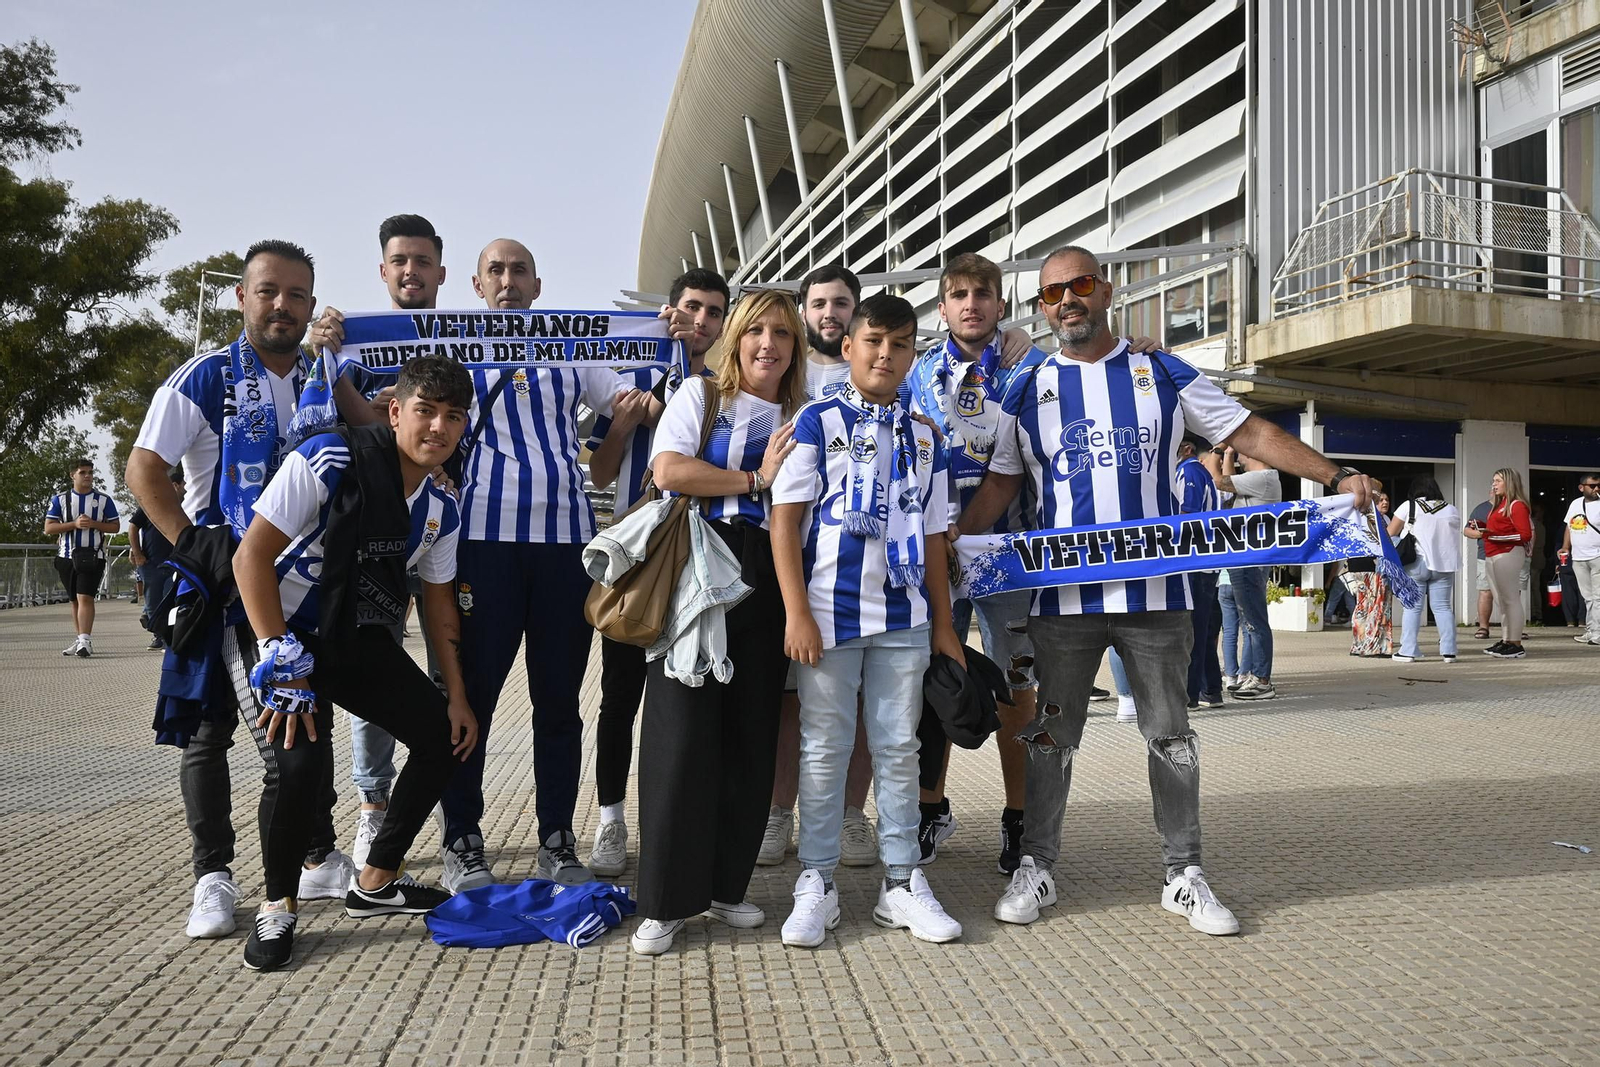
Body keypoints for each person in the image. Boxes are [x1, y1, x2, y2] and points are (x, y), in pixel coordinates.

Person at [959, 244, 1373, 937]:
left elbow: (1249, 431)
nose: (1068, 300)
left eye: (1080, 285)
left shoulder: (1163, 371)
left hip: (1157, 600)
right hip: (1062, 605)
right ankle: (1038, 863)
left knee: (1171, 736)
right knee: (1049, 737)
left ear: (1108, 290)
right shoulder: (1027, 390)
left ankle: (1184, 872)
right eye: (1053, 292)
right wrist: (956, 544)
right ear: (1042, 307)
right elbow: (1002, 482)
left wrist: (1335, 477)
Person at [126, 240, 363, 939]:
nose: (281, 306)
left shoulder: (324, 373)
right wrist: (193, 542)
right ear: (242, 296)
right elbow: (144, 468)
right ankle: (213, 876)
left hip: (304, 586)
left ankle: (315, 857)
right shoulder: (205, 375)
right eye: (268, 291)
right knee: (209, 732)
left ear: (312, 306)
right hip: (222, 585)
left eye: (296, 295)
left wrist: (339, 361)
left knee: (301, 726)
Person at [228, 356, 479, 970]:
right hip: (274, 632)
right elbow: (250, 559)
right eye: (424, 411)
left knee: (444, 736)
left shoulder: (442, 504)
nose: (437, 428)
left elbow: (439, 602)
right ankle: (278, 906)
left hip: (351, 637)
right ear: (394, 411)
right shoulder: (327, 459)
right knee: (301, 762)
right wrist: (280, 660)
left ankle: (376, 883)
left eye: (452, 417)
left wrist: (457, 696)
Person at [773, 293, 965, 948]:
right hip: (828, 615)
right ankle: (817, 881)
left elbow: (937, 536)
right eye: (875, 340)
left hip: (906, 615)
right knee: (823, 748)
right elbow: (786, 521)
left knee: (898, 749)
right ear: (849, 346)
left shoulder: (925, 436)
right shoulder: (815, 421)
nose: (887, 354)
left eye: (902, 344)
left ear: (914, 354)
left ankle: (902, 883)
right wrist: (796, 611)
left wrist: (944, 625)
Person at [629, 289, 806, 955]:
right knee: (680, 733)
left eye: (782, 334)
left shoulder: (802, 409)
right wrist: (754, 479)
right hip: (699, 566)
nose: (769, 344)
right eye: (756, 330)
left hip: (770, 572)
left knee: (750, 734)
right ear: (735, 336)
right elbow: (668, 468)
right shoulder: (701, 397)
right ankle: (667, 900)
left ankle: (728, 887)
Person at [310, 212, 452, 870]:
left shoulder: (457, 346)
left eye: (423, 261)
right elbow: (364, 430)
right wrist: (328, 357)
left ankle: (456, 819)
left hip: (440, 524)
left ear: (441, 273)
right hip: (369, 541)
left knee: (448, 675)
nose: (411, 271)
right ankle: (373, 805)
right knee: (378, 659)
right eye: (401, 260)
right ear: (384, 270)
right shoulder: (352, 344)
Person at [903, 253, 1048, 876]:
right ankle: (929, 808)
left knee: (1020, 689)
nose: (971, 304)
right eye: (958, 294)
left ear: (999, 302)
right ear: (942, 306)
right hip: (937, 557)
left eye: (982, 293)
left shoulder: (1031, 364)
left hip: (1010, 557)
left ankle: (1021, 819)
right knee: (933, 680)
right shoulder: (918, 373)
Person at [584, 267, 729, 878]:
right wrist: (626, 421)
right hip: (639, 556)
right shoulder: (628, 379)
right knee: (620, 696)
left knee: (698, 691)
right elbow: (599, 473)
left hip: (704, 555)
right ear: (669, 310)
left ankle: (693, 820)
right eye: (691, 307)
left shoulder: (729, 389)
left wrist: (673, 409)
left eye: (713, 312)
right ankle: (611, 818)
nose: (700, 321)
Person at [761, 263, 878, 870]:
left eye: (840, 303)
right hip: (791, 558)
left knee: (854, 702)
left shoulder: (884, 369)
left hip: (861, 567)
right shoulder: (785, 368)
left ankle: (851, 817)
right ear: (802, 312)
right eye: (818, 304)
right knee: (789, 704)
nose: (828, 313)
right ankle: (779, 812)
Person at [1212, 447, 1281, 699]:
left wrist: (1218, 453)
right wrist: (1228, 456)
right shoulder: (1258, 481)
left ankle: (1262, 680)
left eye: (1241, 453)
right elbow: (1229, 484)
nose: (1239, 458)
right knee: (1249, 622)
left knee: (1255, 621)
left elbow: (1218, 481)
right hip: (1246, 557)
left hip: (1252, 558)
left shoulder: (1264, 477)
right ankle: (1252, 675)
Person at [44, 457, 120, 657]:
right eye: (83, 472)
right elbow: (49, 528)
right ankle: (80, 639)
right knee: (74, 601)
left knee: (85, 597)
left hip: (93, 556)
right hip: (66, 557)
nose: (87, 476)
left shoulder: (103, 500)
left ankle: (85, 640)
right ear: (72, 475)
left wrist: (94, 523)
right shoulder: (59, 499)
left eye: (90, 473)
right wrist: (74, 524)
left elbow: (115, 526)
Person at [1387, 476, 1460, 663]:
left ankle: (1408, 651)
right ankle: (1449, 652)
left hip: (1416, 563)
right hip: (1444, 565)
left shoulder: (1409, 506)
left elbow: (1390, 533)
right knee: (1443, 608)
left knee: (1412, 608)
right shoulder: (1451, 509)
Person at [1465, 468, 1533, 658]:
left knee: (1510, 599)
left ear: (1509, 482)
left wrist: (1492, 534)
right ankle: (1506, 640)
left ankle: (1515, 643)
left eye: (1497, 481)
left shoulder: (1517, 505)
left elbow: (1525, 534)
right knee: (1502, 601)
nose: (1493, 484)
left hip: (1507, 554)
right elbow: (1501, 530)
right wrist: (1485, 529)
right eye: (1493, 480)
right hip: (1493, 553)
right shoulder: (1500, 505)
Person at [1178, 435, 1223, 709]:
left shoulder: (1188, 471)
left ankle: (1189, 695)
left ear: (1186, 448)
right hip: (1206, 563)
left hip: (1193, 562)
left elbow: (1186, 514)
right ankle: (1210, 689)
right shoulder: (1202, 473)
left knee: (1190, 631)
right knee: (1203, 629)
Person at [128, 469, 185, 650]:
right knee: (153, 602)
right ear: (176, 485)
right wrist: (137, 552)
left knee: (172, 600)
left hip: (176, 564)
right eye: (186, 484)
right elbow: (132, 527)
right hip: (151, 563)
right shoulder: (151, 503)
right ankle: (158, 635)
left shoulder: (189, 506)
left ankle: (169, 637)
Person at [1349, 483, 1394, 657]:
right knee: (1378, 605)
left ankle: (1359, 643)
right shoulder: (1375, 518)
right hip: (1373, 565)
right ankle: (1375, 645)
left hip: (1357, 564)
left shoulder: (1355, 515)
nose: (1383, 502)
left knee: (1362, 605)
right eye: (1379, 498)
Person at [1559, 472, 1600, 646]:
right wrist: (1565, 547)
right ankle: (1591, 630)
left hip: (1597, 555)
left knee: (1598, 597)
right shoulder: (1576, 504)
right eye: (1593, 485)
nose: (1596, 488)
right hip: (1579, 557)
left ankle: (1598, 633)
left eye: (1599, 485)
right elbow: (1570, 525)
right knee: (1588, 597)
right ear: (1582, 487)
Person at [1468, 497, 1494, 639]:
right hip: (1485, 556)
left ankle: (1514, 629)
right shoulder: (1481, 508)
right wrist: (1480, 533)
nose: (1494, 488)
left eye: (1497, 483)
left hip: (1508, 555)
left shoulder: (1514, 505)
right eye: (1493, 484)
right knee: (1485, 591)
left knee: (1511, 594)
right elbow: (1466, 530)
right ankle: (1483, 627)